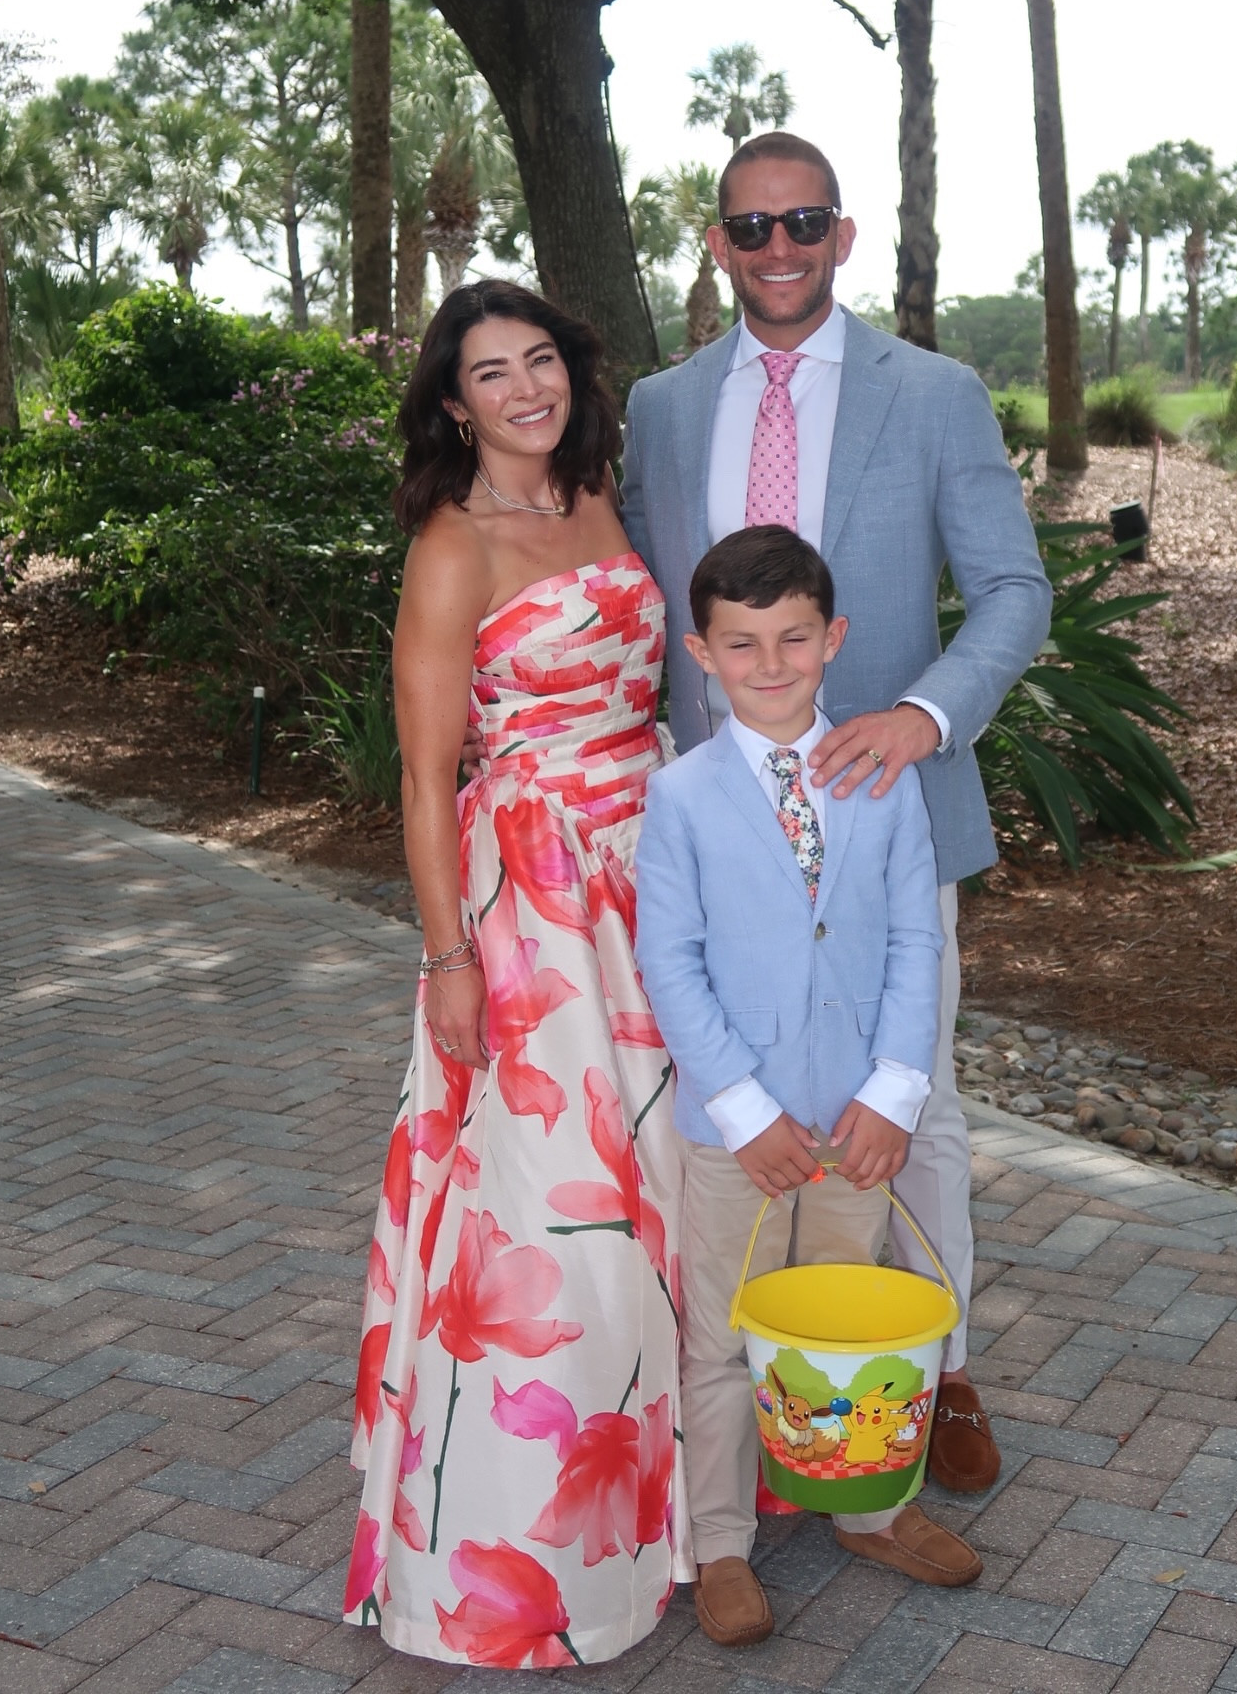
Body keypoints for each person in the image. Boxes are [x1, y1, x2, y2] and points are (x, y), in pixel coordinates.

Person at [621, 131, 1054, 1496]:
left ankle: (938, 1372)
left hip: (885, 809)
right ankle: (756, 1400)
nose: (780, 248)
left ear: (842, 235)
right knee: (732, 1100)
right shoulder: (661, 407)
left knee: (908, 1104)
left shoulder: (932, 393)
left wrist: (924, 714)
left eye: (803, 221)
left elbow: (1014, 589)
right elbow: (638, 595)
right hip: (722, 827)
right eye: (752, 227)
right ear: (718, 243)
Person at [344, 279, 688, 1669]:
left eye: (540, 359)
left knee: (665, 1188)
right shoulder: (453, 545)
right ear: (454, 402)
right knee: (554, 1218)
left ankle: (673, 1520)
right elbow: (426, 779)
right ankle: (524, 1559)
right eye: (492, 372)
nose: (526, 388)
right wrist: (449, 959)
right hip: (536, 906)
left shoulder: (600, 493)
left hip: (653, 871)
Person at [635, 526, 982, 1648]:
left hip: (856, 1119)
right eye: (742, 643)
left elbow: (914, 943)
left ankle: (870, 1507)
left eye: (794, 638)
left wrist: (895, 1091)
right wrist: (742, 1108)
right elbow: (670, 963)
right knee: (722, 1337)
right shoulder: (680, 796)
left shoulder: (883, 776)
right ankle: (721, 1543)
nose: (771, 663)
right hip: (739, 1128)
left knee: (850, 1314)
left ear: (834, 638)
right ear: (702, 652)